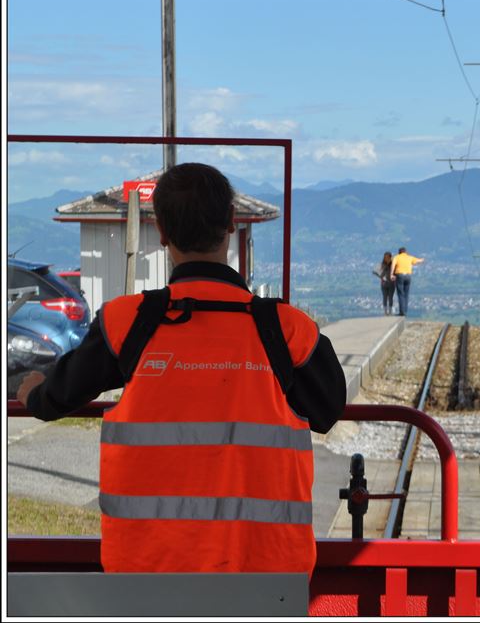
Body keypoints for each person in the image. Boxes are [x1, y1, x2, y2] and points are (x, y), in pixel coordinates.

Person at [16, 163, 347, 576]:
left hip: (147, 569)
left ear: (162, 232)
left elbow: (57, 397)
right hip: (268, 573)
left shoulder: (127, 322)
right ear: (231, 222)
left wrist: (33, 391)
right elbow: (328, 410)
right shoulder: (287, 329)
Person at [389, 246, 424, 317]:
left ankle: (402, 312)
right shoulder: (409, 257)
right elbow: (418, 261)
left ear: (399, 252)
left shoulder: (396, 257)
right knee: (406, 294)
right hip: (408, 276)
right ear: (405, 252)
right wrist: (422, 259)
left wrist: (391, 274)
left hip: (400, 275)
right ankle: (405, 311)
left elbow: (393, 265)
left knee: (400, 293)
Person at [373, 251, 396, 315]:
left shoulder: (381, 264)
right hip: (391, 283)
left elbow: (374, 271)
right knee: (390, 297)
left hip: (384, 283)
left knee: (385, 297)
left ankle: (385, 312)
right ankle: (390, 312)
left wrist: (381, 277)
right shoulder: (393, 265)